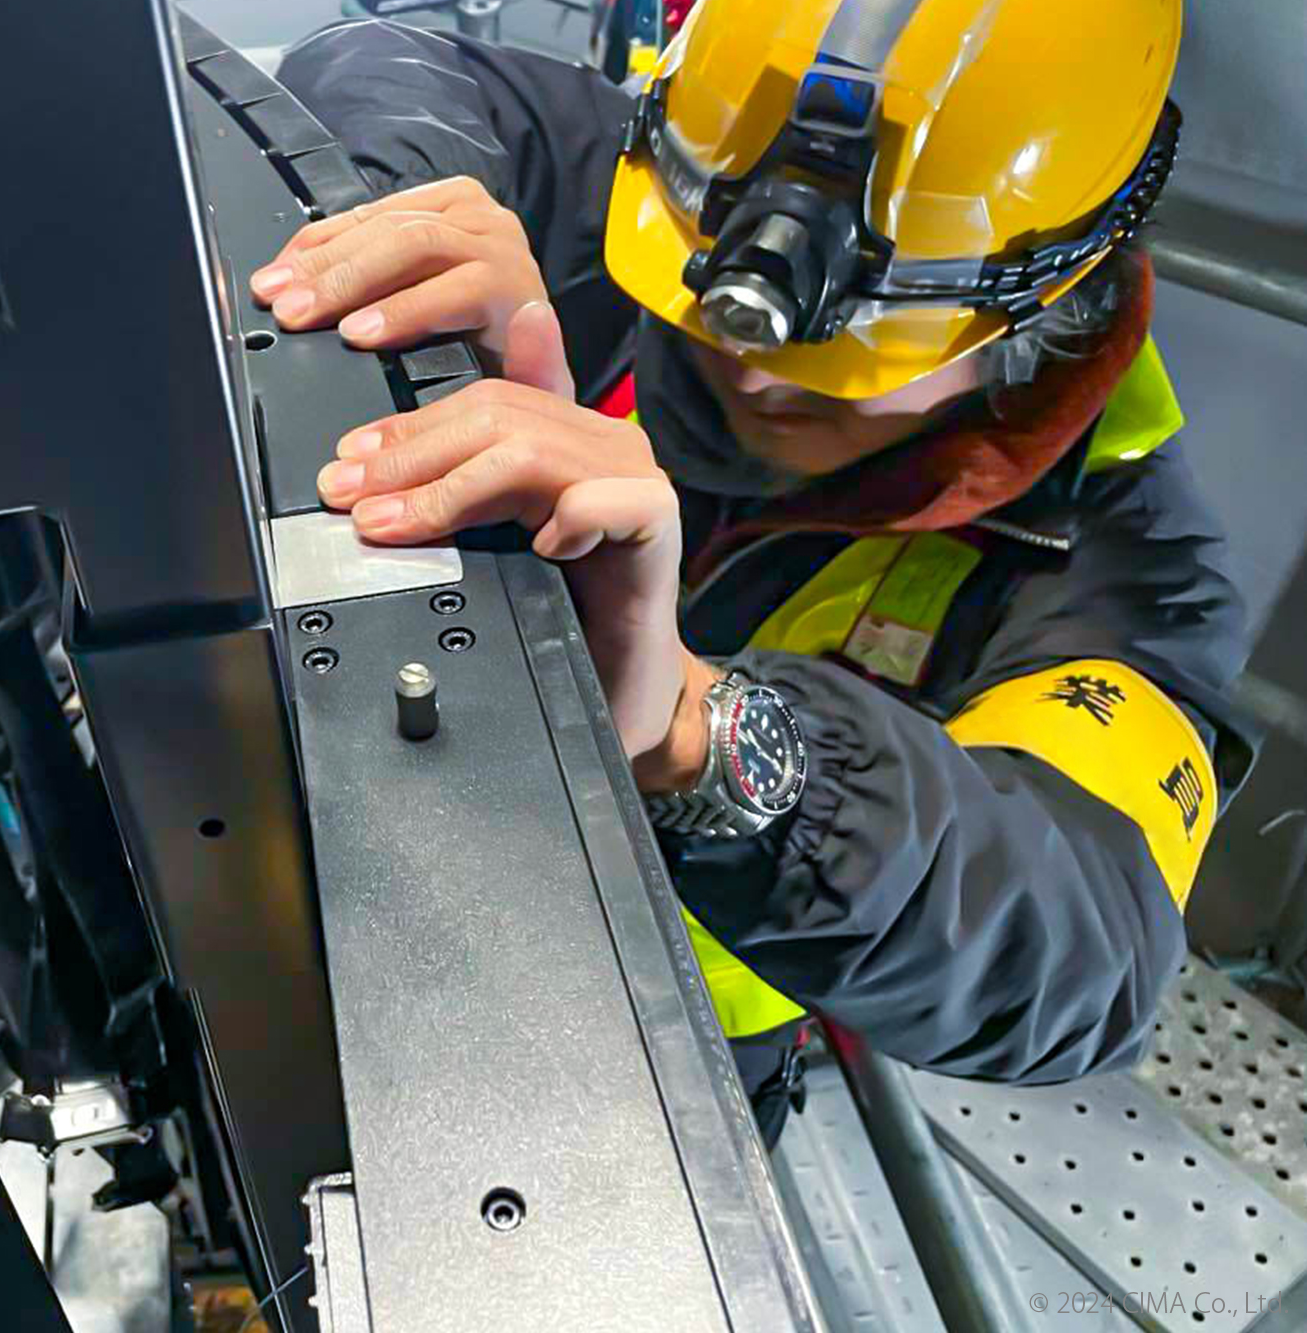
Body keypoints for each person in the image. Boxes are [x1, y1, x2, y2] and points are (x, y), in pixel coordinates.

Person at [259, 0, 1255, 1140]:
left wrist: (692, 730)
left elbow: (1081, 956)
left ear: (1045, 310)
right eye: (699, 283)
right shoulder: (675, 166)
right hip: (352, 875)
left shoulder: (1129, 570)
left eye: (837, 353)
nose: (744, 357)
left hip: (643, 1064)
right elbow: (375, 59)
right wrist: (399, 235)